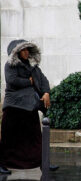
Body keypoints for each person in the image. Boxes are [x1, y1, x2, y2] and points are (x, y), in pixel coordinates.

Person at [0, 39, 58, 174]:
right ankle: (2, 164)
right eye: (23, 50)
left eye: (27, 50)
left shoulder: (33, 66)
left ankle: (44, 163)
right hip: (13, 107)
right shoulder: (10, 65)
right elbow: (12, 80)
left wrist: (46, 92)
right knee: (9, 139)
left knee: (36, 138)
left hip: (29, 107)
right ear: (17, 53)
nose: (26, 53)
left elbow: (43, 80)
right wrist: (29, 81)